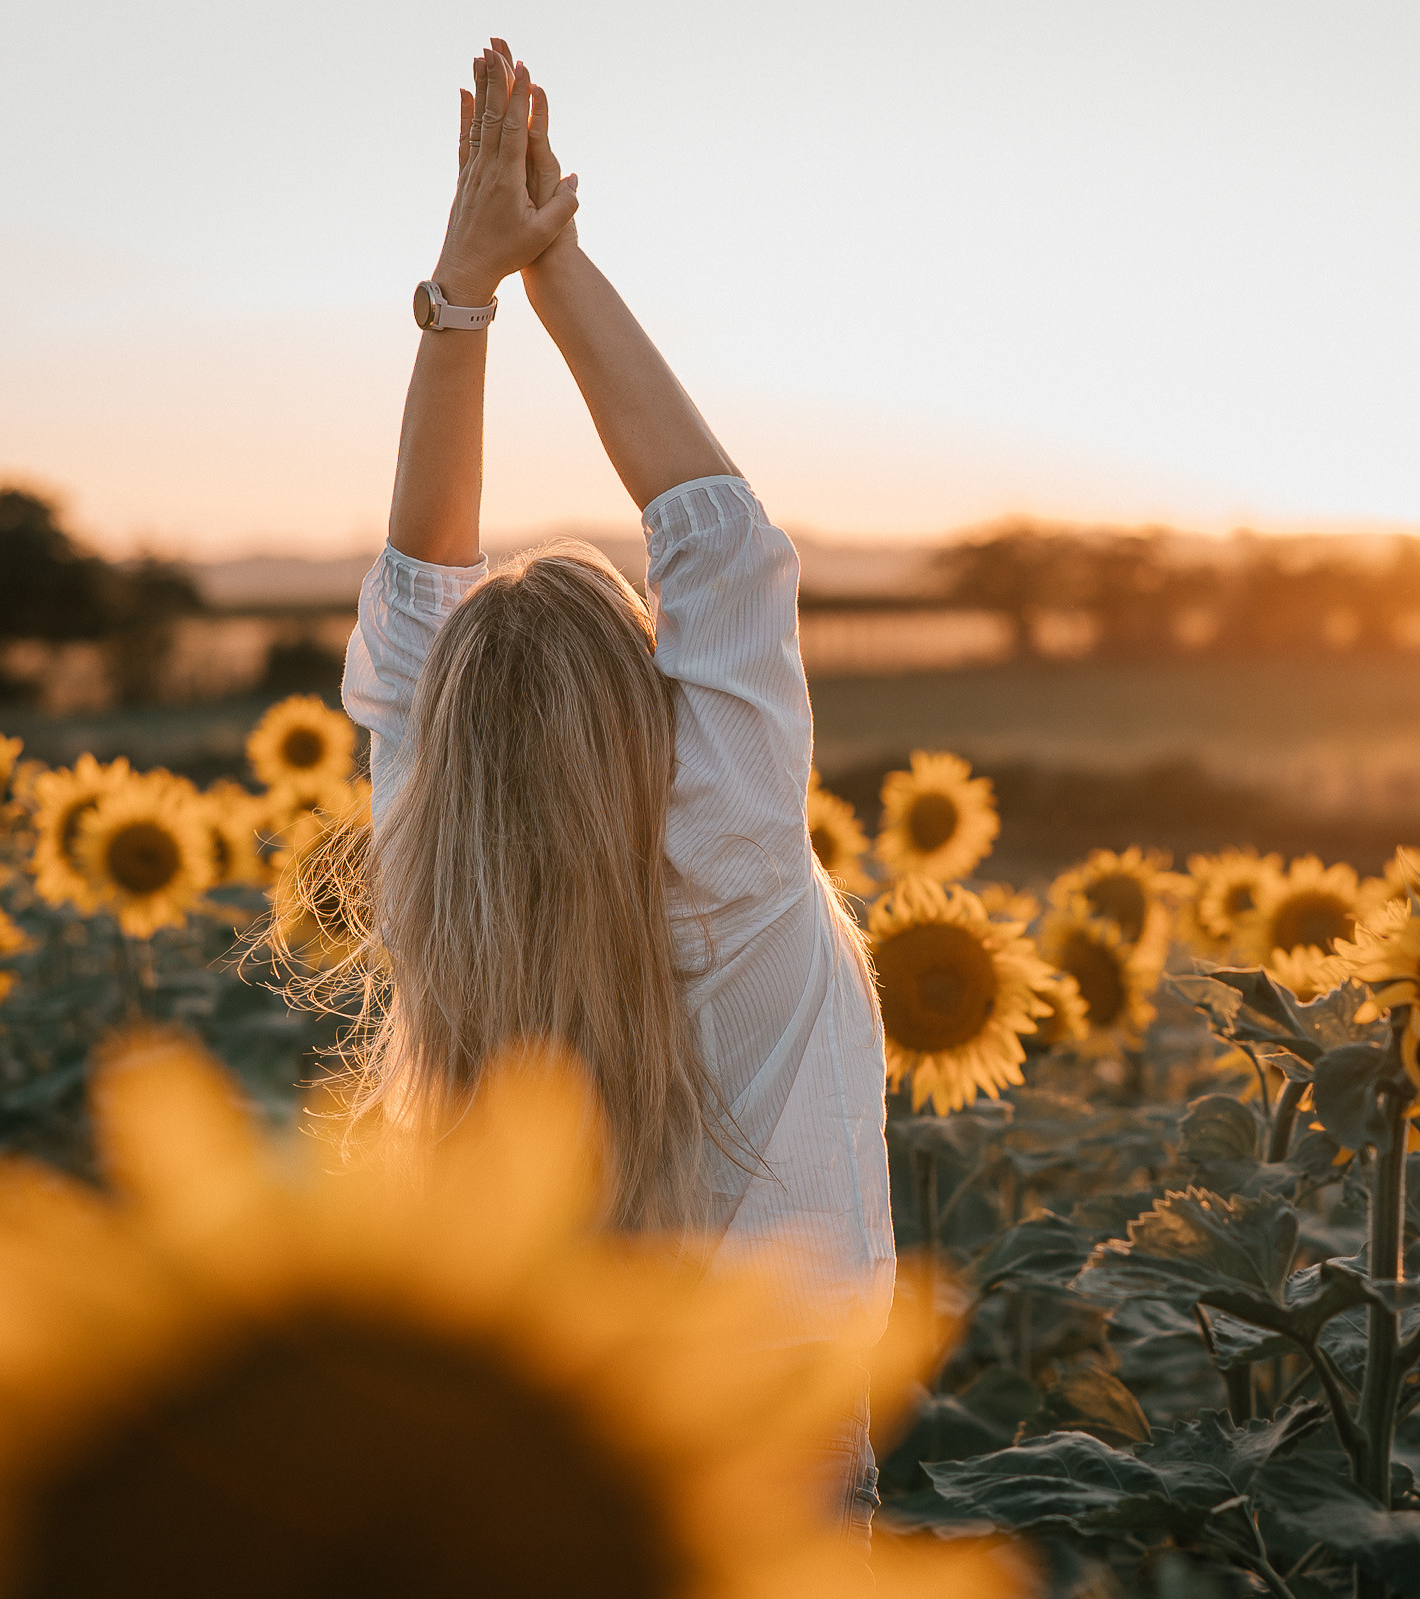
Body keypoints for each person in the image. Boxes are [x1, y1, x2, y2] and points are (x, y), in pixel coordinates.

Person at [320, 40, 890, 1529]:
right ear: (656, 707)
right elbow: (718, 532)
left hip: (519, 1461)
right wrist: (545, 256)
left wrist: (465, 300)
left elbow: (420, 603)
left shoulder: (435, 875)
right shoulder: (732, 858)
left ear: (444, 737)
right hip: (764, 1458)